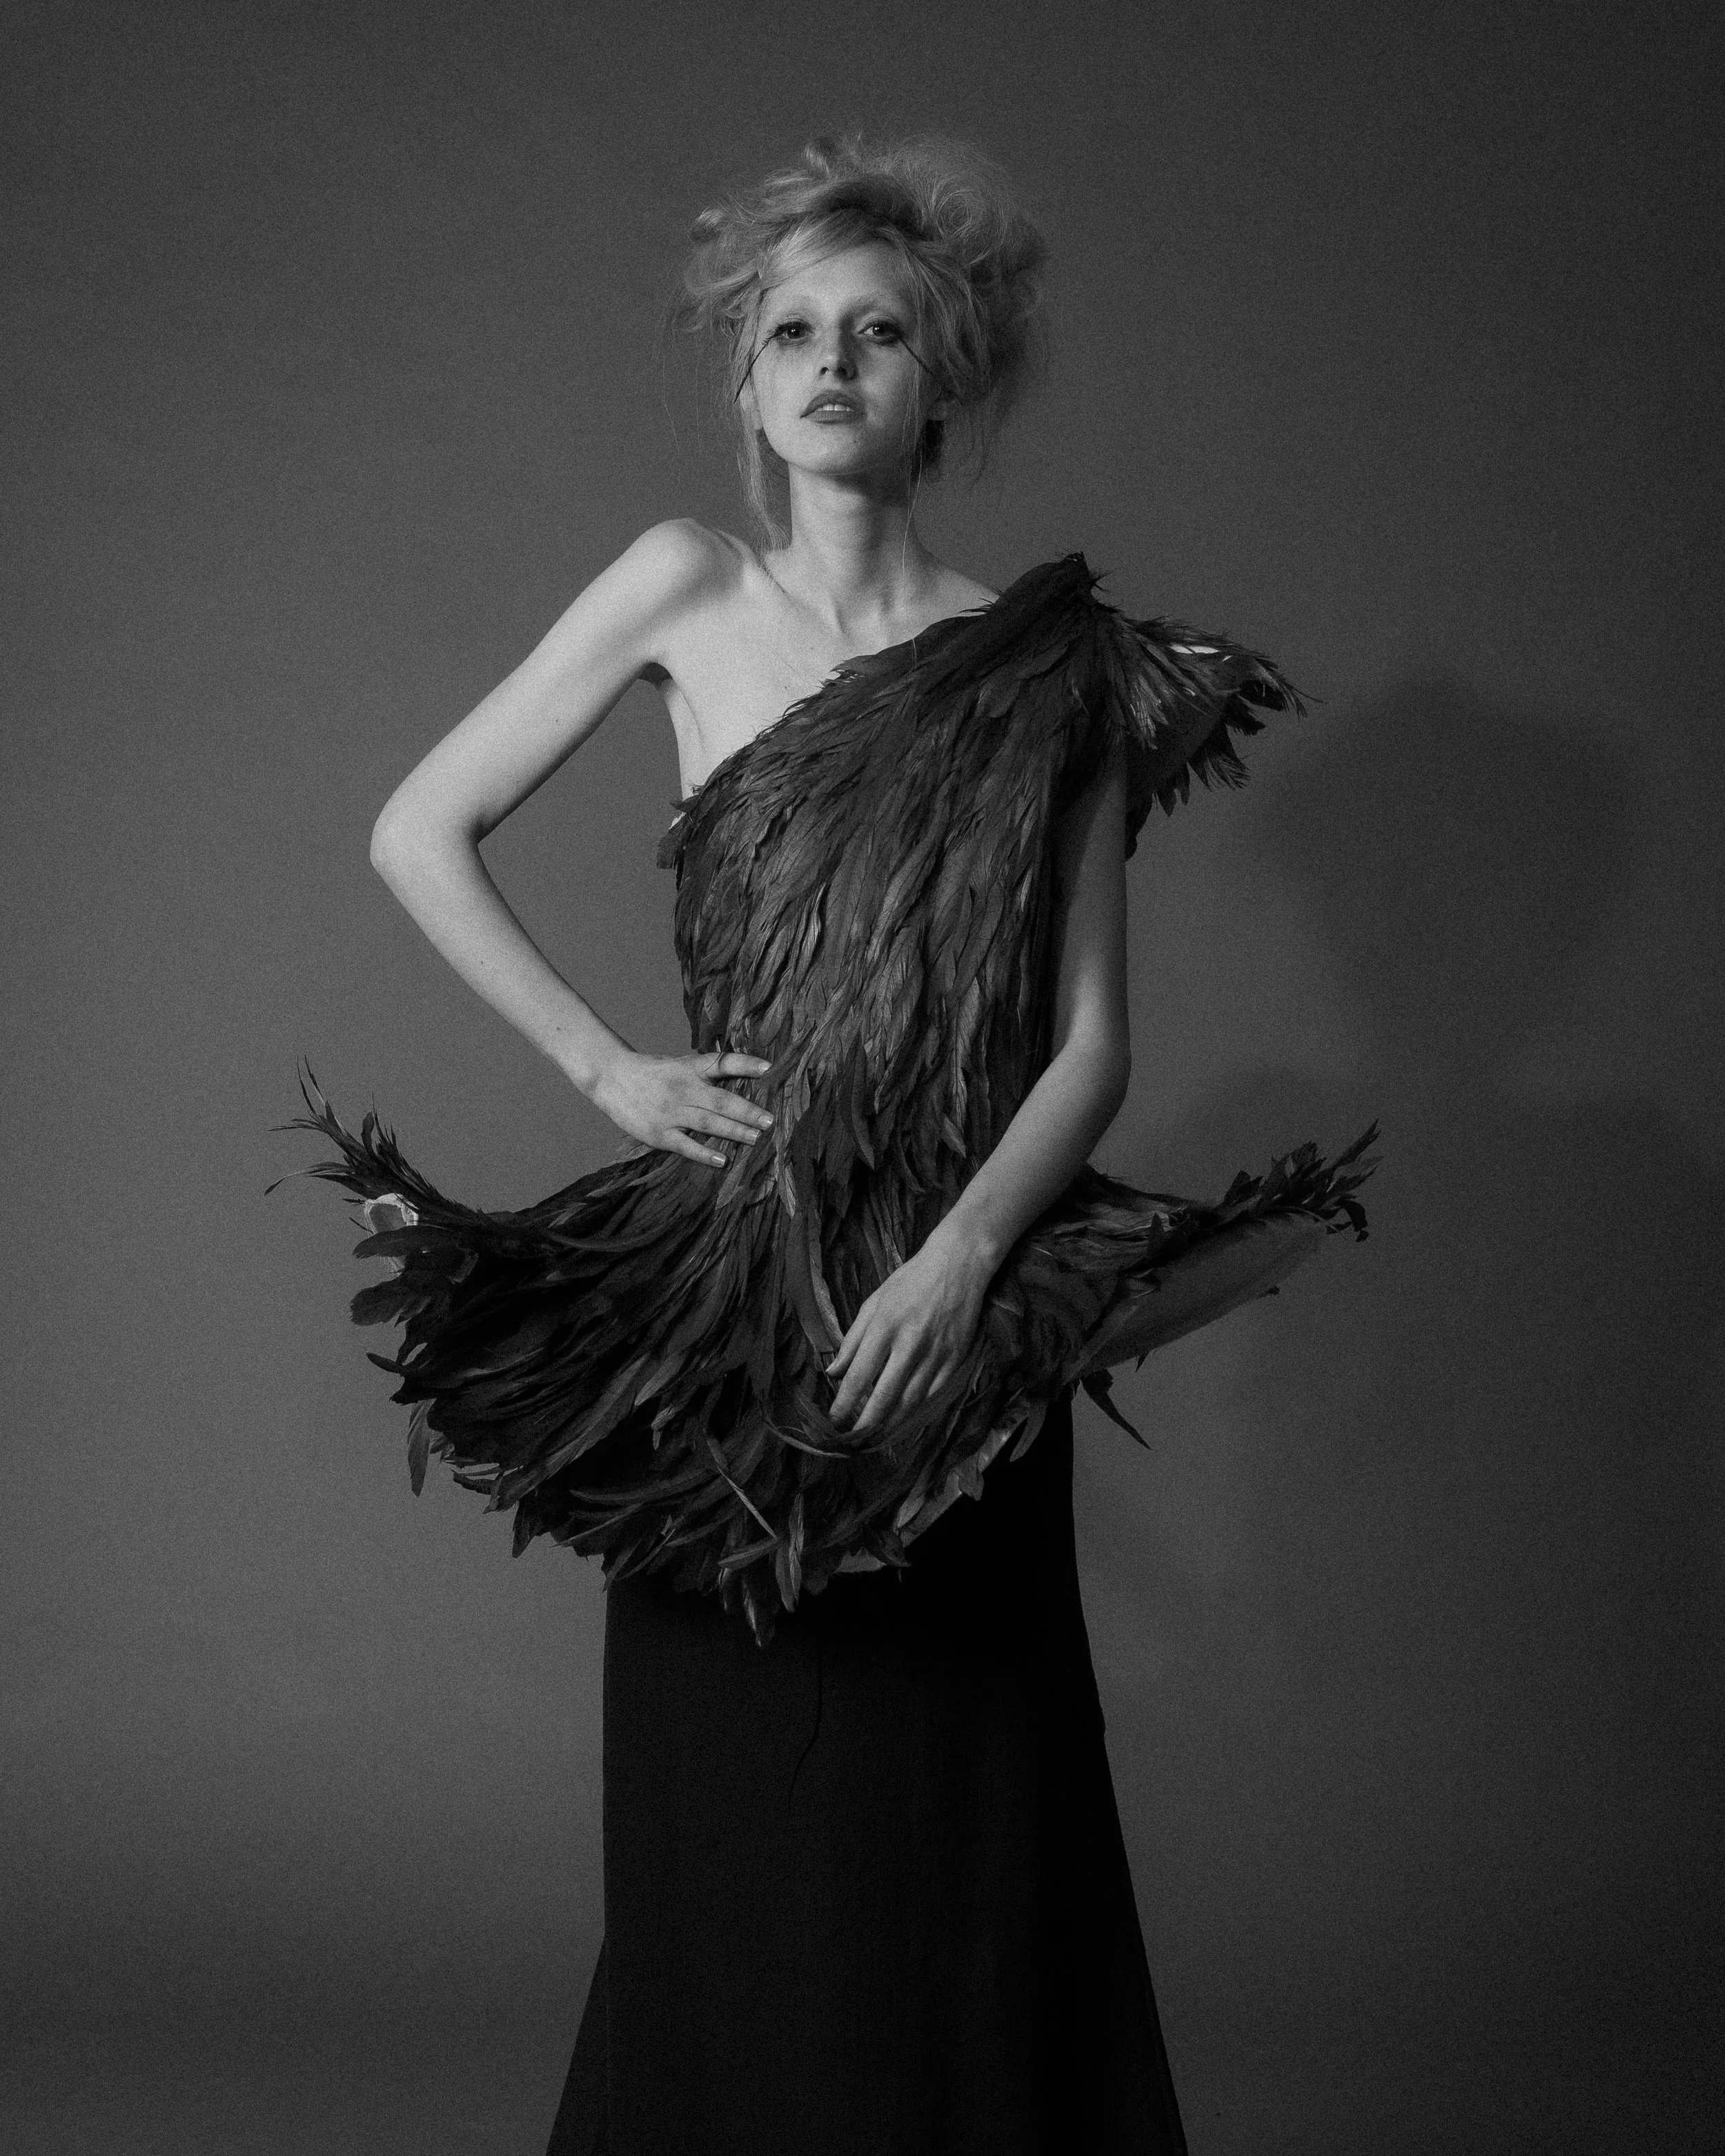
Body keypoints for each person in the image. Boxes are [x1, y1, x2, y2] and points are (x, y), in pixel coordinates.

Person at [280, 133, 1374, 2155]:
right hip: (734, 1306)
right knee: (740, 1814)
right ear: (743, 379)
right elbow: (415, 829)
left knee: (965, 1821)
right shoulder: (683, 585)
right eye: (791, 330)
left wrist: (963, 1263)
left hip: (954, 1284)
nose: (832, 362)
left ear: (945, 378)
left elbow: (1092, 1046)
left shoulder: (1053, 666)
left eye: (880, 332)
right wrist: (609, 1071)